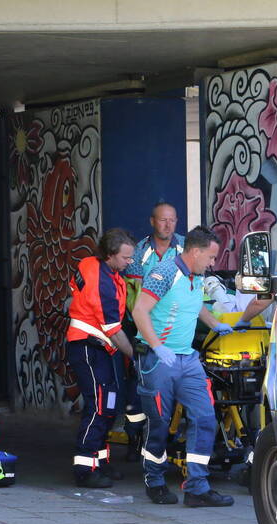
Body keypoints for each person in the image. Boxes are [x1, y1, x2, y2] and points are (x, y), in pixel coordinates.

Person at [132, 227, 235, 507]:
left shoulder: (197, 276)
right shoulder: (165, 273)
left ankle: (197, 487)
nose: (214, 263)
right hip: (158, 361)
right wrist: (157, 346)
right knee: (160, 424)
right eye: (211, 257)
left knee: (204, 418)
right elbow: (139, 310)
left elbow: (197, 305)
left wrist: (216, 324)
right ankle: (154, 480)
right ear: (196, 251)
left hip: (187, 360)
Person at [65, 228, 136, 488]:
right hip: (88, 347)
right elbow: (114, 331)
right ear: (109, 256)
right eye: (126, 258)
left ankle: (100, 462)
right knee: (99, 407)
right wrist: (135, 356)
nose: (130, 262)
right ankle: (84, 469)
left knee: (109, 404)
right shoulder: (103, 283)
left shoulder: (96, 267)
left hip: (97, 348)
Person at [119, 202, 186, 460]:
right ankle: (135, 431)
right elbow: (133, 295)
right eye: (162, 220)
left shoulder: (184, 248)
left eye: (172, 220)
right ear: (152, 222)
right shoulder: (139, 253)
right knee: (139, 378)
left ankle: (169, 432)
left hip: (176, 324)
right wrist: (142, 326)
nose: (168, 225)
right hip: (145, 324)